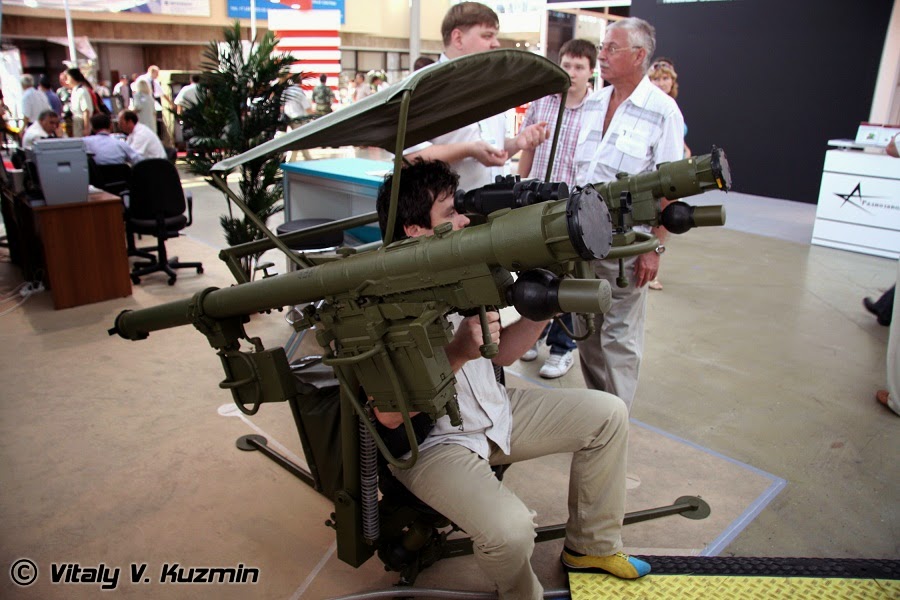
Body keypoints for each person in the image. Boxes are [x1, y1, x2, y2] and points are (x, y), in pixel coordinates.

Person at [374, 158, 650, 599]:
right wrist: (457, 352)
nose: (464, 220)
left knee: (608, 415)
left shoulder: (458, 269)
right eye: (450, 212)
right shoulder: (377, 299)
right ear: (414, 230)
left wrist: (546, 305)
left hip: (496, 412)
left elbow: (499, 354)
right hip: (433, 446)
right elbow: (389, 417)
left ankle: (591, 547)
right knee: (511, 531)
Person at [573, 17, 685, 412]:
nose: (601, 55)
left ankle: (615, 426)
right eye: (601, 47)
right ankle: (600, 414)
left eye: (611, 48)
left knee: (619, 340)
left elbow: (672, 187)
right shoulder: (593, 103)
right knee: (586, 333)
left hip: (625, 248)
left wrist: (654, 247)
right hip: (579, 242)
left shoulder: (663, 112)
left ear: (639, 56)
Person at [404, 2, 549, 192]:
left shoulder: (490, 85)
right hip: (446, 208)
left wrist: (517, 143)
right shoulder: (423, 86)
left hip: (493, 206)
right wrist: (469, 150)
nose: (496, 44)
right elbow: (409, 158)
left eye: (495, 36)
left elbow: (492, 147)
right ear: (458, 38)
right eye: (487, 36)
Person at [516, 38, 598, 379]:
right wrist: (518, 188)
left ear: (591, 71)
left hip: (571, 209)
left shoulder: (596, 110)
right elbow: (528, 148)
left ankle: (563, 347)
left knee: (567, 276)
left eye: (579, 66)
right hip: (537, 204)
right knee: (533, 268)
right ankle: (531, 332)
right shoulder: (543, 103)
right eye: (567, 65)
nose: (572, 72)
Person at [645, 57, 690, 292]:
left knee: (666, 217)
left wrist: (686, 152)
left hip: (672, 170)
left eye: (665, 78)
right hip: (655, 174)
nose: (662, 83)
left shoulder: (672, 108)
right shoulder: (651, 107)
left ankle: (653, 266)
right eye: (657, 79)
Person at [66, 68, 96, 138]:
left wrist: (86, 128)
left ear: (72, 78)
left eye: (67, 78)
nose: (67, 81)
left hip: (82, 122)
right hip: (76, 121)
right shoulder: (74, 91)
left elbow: (86, 111)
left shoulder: (82, 91)